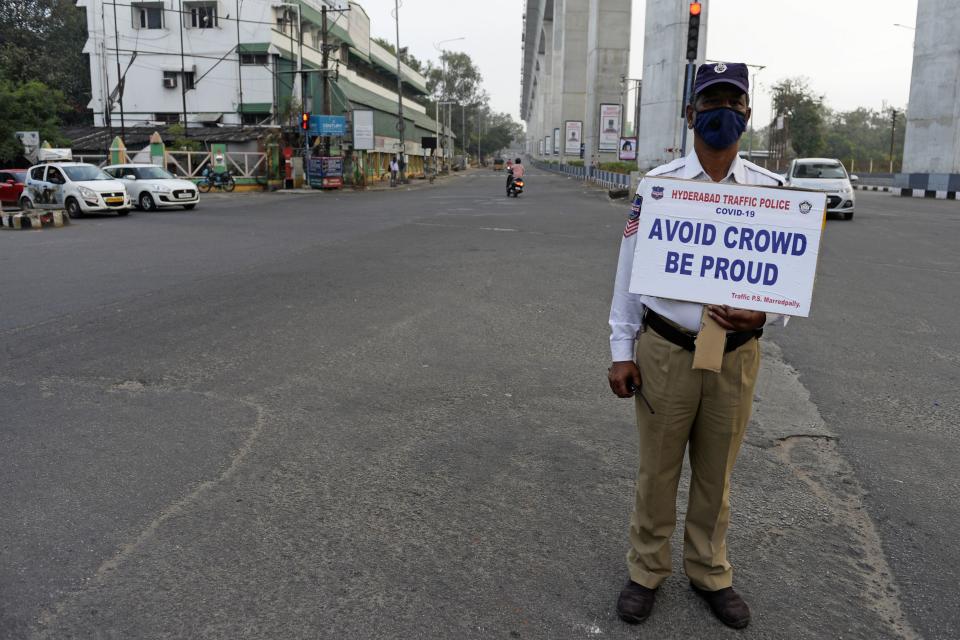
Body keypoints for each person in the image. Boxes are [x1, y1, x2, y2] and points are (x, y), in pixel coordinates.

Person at [608, 62, 785, 630]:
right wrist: (621, 348)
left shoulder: (774, 195)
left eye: (734, 104)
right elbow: (628, 270)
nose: (723, 114)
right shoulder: (659, 189)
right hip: (665, 351)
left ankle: (710, 571)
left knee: (718, 473)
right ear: (690, 114)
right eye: (712, 103)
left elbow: (787, 282)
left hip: (736, 356)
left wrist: (764, 312)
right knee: (657, 470)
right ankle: (646, 570)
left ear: (748, 116)